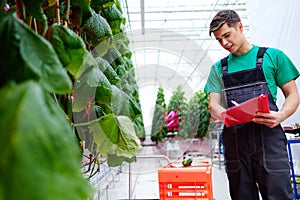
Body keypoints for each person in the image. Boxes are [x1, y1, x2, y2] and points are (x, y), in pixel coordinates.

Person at [204, 9, 300, 200]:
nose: (224, 43)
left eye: (226, 35)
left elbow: (292, 95)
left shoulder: (273, 57)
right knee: (242, 196)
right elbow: (213, 105)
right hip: (236, 142)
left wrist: (280, 116)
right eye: (219, 40)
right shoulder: (218, 69)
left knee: (278, 194)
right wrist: (228, 116)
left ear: (240, 27)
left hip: (269, 138)